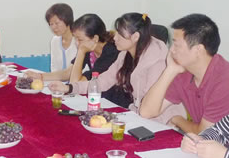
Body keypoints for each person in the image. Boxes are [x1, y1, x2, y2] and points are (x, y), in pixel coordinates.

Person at [140, 14, 229, 151]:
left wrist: (177, 119)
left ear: (198, 50)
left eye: (176, 45)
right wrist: (169, 70)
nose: (171, 50)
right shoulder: (184, 71)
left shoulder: (227, 80)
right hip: (201, 147)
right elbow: (146, 112)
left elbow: (204, 134)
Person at [49, 13, 184, 122]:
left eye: (120, 34)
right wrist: (69, 88)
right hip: (138, 116)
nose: (114, 38)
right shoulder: (125, 55)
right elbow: (103, 81)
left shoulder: (158, 62)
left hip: (163, 121)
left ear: (135, 37)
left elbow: (150, 110)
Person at [27, 13, 126, 105]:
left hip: (114, 102)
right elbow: (69, 72)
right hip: (99, 98)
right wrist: (40, 76)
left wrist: (81, 52)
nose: (77, 43)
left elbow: (75, 82)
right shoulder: (90, 48)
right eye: (75, 38)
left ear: (95, 39)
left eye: (80, 39)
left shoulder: (111, 53)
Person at [46, 3, 77, 72]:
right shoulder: (55, 41)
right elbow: (54, 67)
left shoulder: (78, 40)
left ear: (67, 20)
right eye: (51, 24)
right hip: (59, 78)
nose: (53, 27)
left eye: (57, 23)